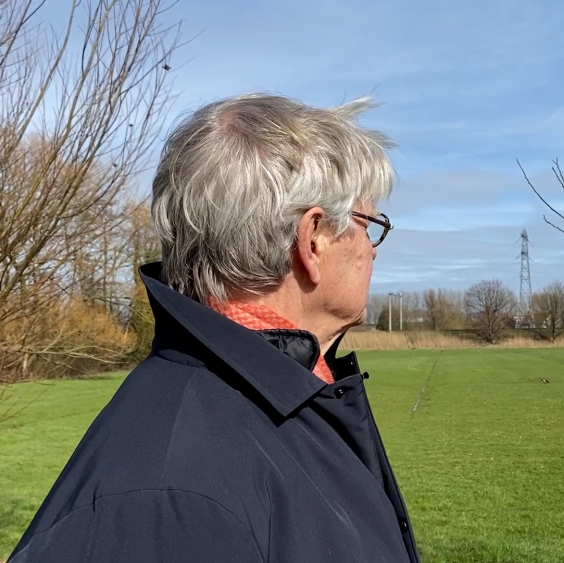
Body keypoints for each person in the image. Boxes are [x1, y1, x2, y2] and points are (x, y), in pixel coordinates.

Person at [9, 94, 419, 563]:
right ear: (312, 240)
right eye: (370, 225)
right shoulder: (170, 500)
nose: (372, 250)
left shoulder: (285, 395)